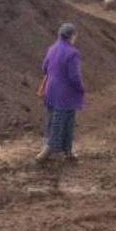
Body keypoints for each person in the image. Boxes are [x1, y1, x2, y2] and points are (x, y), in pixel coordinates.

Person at [37, 23, 85, 162]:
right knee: (65, 121)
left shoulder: (52, 48)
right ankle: (50, 149)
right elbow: (74, 76)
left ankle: (65, 150)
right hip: (66, 94)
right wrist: (81, 88)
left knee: (52, 120)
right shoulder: (72, 53)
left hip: (51, 91)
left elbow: (44, 67)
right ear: (72, 36)